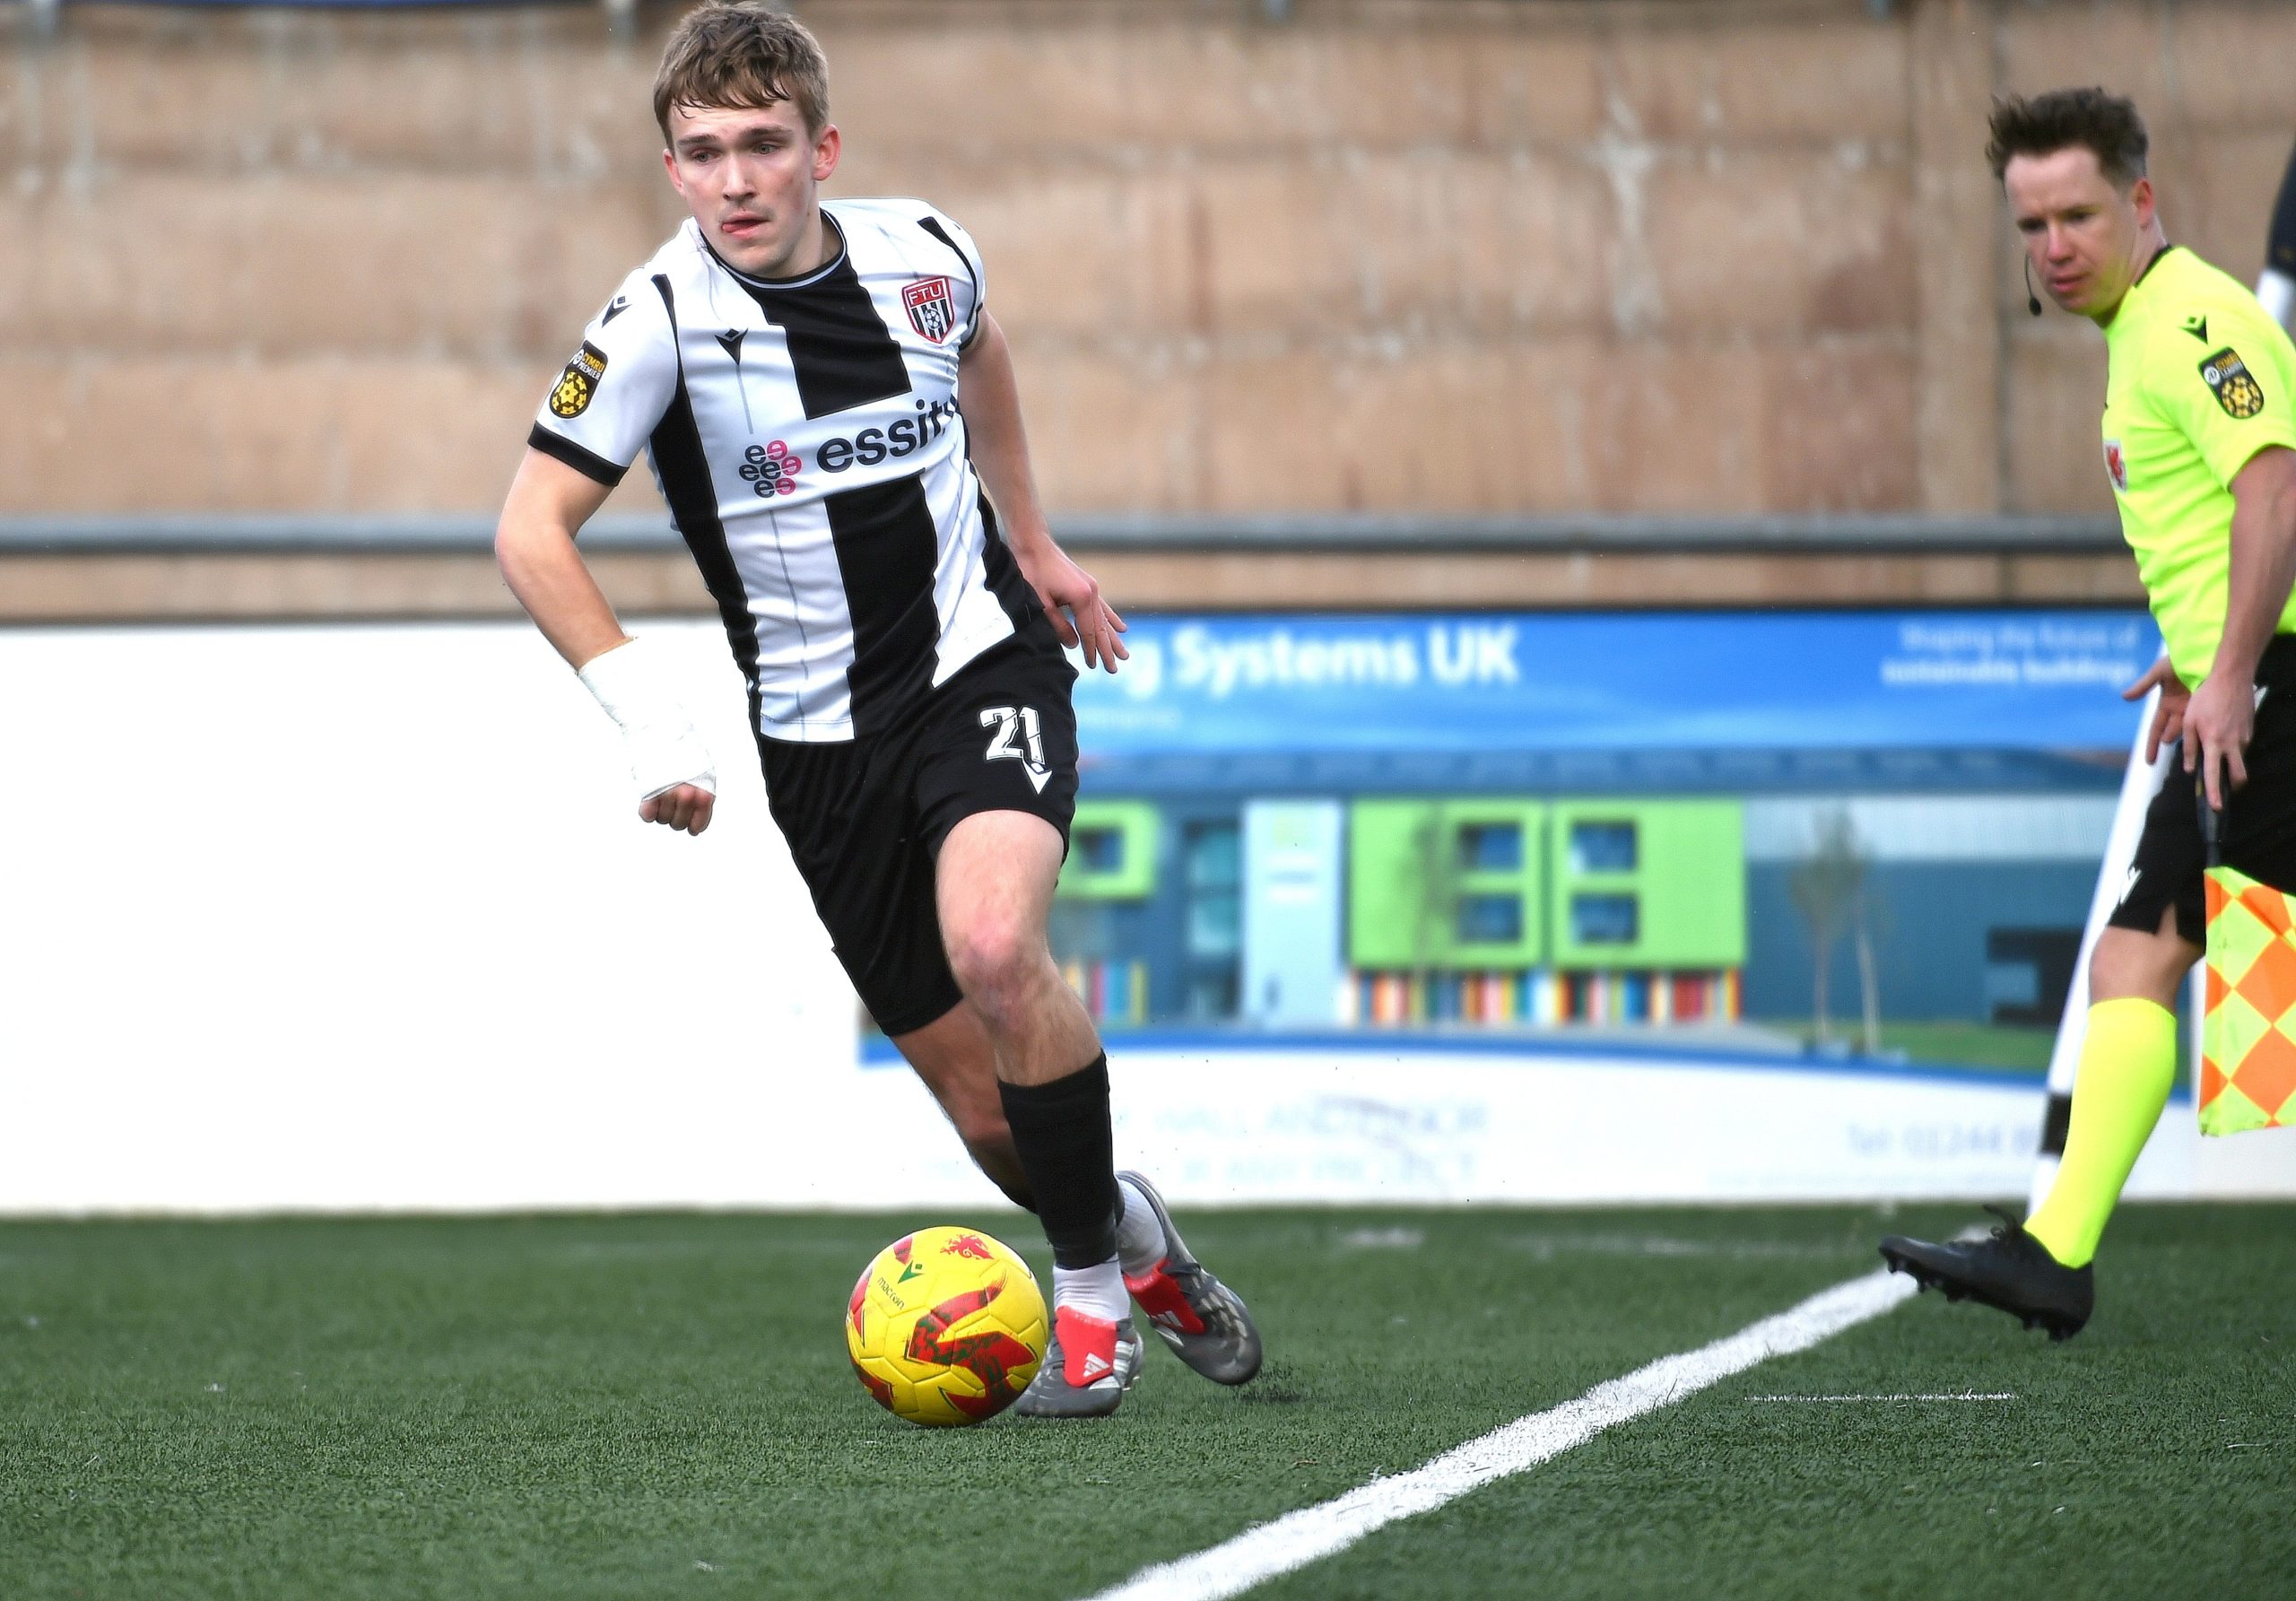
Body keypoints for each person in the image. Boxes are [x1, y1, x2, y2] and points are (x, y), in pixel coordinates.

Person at [494, 2, 1259, 1414]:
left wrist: (1033, 542)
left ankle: (1091, 1310)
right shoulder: (657, 320)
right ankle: (1132, 1234)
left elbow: (982, 353)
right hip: (820, 749)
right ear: (671, 168)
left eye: (764, 145)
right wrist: (654, 725)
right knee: (992, 1121)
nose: (736, 181)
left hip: (981, 663)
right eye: (703, 153)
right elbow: (530, 531)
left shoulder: (926, 253)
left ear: (823, 149)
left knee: (996, 945)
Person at [1882, 88, 2296, 1339]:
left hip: (2270, 694)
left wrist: (2231, 666)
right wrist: (2196, 658)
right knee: (2142, 958)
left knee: (2186, 974)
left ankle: (2058, 1250)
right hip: (2240, 689)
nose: (2054, 247)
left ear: (2141, 201)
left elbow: (2277, 491)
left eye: (2078, 216)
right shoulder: (2141, 333)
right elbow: (2225, 521)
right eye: (2032, 225)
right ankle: (2056, 1253)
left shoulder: (2194, 322)